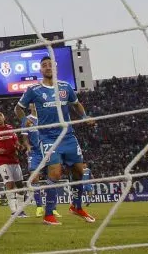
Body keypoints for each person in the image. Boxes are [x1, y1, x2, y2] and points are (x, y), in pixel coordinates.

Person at [15, 56, 96, 226]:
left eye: (50, 64)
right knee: (55, 173)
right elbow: (18, 108)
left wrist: (84, 116)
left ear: (55, 68)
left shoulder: (66, 87)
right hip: (48, 138)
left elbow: (76, 104)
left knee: (79, 172)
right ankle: (48, 214)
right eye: (44, 65)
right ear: (40, 70)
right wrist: (25, 121)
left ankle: (76, 206)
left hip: (68, 136)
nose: (47, 67)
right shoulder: (34, 89)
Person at [0, 111, 27, 218]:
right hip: (2, 161)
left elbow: (16, 142)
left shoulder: (10, 128)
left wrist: (19, 146)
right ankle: (14, 211)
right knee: (10, 183)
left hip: (14, 160)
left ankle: (21, 210)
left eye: (0, 115)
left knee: (20, 186)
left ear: (4, 117)